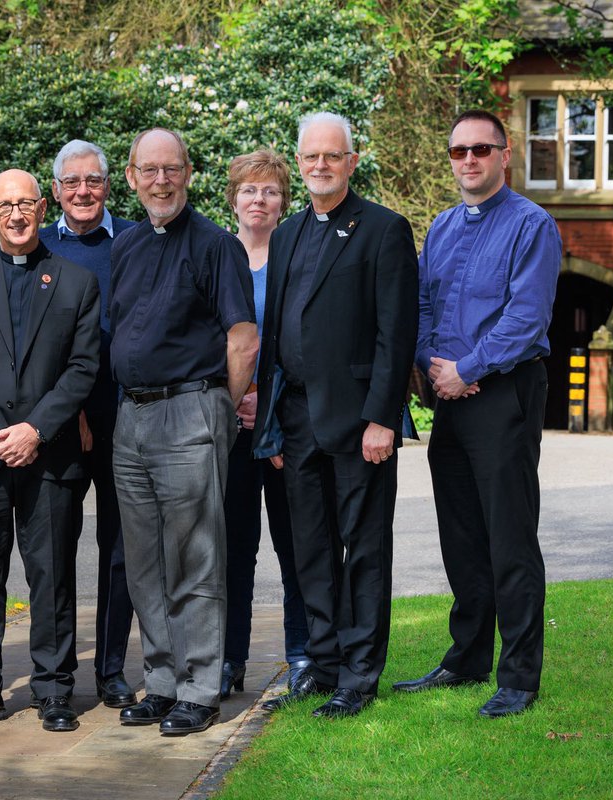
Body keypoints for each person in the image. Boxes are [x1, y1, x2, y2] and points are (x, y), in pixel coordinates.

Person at [250, 112, 418, 718]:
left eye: (332, 155)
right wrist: (269, 420)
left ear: (351, 161)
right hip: (295, 421)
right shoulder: (289, 232)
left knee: (364, 549)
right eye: (311, 156)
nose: (320, 165)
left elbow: (395, 336)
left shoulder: (383, 229)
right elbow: (273, 335)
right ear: (300, 163)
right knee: (311, 550)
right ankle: (321, 666)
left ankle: (359, 675)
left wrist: (383, 419)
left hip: (357, 422)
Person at [393, 110, 560, 718]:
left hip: (504, 393)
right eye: (458, 151)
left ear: (504, 154)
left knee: (509, 536)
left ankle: (518, 675)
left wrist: (469, 369)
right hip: (449, 395)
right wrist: (435, 363)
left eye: (481, 150)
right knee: (461, 534)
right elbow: (423, 303)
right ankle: (466, 658)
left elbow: (527, 316)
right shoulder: (439, 227)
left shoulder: (531, 225)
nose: (469, 160)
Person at [0, 169, 100, 733]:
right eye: (4, 206)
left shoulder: (76, 281)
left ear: (41, 206)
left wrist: (35, 429)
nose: (16, 214)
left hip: (49, 455)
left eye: (26, 203)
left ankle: (54, 691)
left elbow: (83, 368)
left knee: (51, 576)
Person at [109, 128, 258, 735]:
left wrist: (220, 407)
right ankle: (163, 681)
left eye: (172, 169)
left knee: (196, 558)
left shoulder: (217, 245)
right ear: (132, 176)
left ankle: (199, 687)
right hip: (131, 416)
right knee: (145, 562)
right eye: (150, 170)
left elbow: (243, 338)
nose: (161, 181)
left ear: (189, 173)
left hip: (191, 410)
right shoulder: (127, 246)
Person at [39, 139, 139, 708]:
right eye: (71, 182)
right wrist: (66, 404)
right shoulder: (39, 244)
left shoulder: (132, 241)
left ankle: (109, 668)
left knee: (120, 546)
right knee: (56, 545)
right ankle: (56, 676)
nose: (82, 191)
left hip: (125, 413)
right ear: (55, 189)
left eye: (93, 181)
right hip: (62, 419)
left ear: (109, 185)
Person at [220, 149, 309, 701]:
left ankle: (303, 655)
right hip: (228, 428)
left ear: (283, 202)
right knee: (232, 549)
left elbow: (300, 344)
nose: (259, 200)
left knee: (297, 545)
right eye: (250, 190)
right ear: (233, 199)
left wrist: (267, 402)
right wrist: (233, 401)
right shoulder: (215, 255)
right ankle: (229, 659)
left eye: (270, 191)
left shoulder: (296, 258)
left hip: (285, 430)